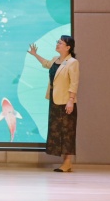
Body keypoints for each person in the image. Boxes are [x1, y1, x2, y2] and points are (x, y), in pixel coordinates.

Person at [28, 35, 79, 172]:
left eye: (60, 43)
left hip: (66, 102)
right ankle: (65, 162)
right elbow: (46, 64)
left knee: (67, 132)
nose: (57, 44)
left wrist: (71, 100)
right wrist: (35, 54)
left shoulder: (72, 62)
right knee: (57, 131)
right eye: (58, 42)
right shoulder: (56, 59)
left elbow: (74, 83)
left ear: (68, 47)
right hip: (55, 102)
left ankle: (67, 162)